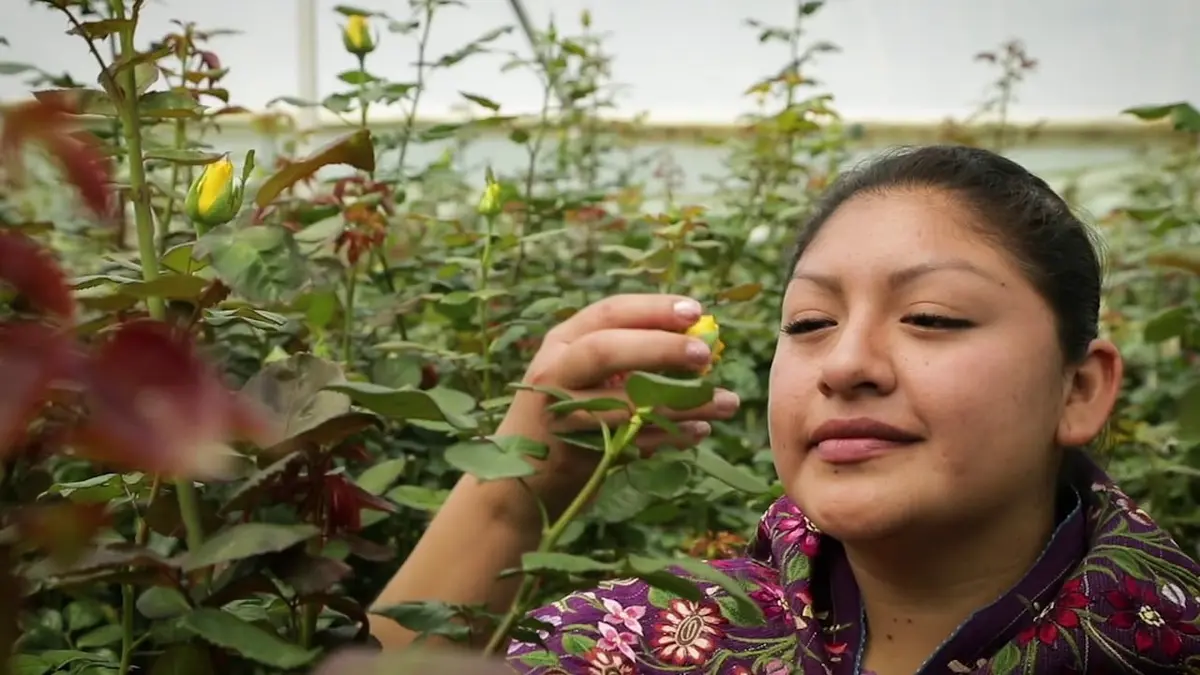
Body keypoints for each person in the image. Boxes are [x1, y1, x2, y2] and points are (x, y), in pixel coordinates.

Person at [367, 145, 1200, 674]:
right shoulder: (647, 643)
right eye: (809, 323)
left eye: (932, 317)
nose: (843, 363)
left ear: (1080, 387)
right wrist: (520, 485)